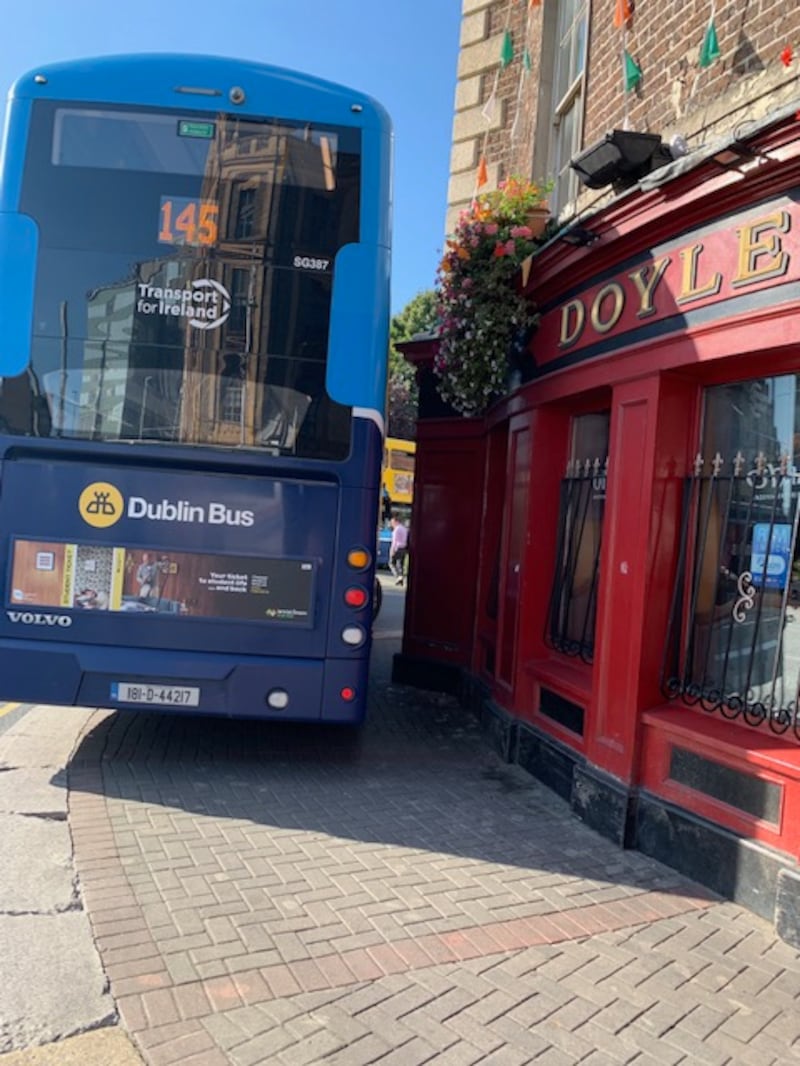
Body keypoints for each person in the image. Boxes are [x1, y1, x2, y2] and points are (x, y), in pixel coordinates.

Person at [389, 512, 409, 586]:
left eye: (392, 522)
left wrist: (392, 550)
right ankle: (400, 579)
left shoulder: (396, 530)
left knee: (391, 563)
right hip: (404, 548)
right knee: (400, 564)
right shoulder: (404, 529)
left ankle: (398, 576)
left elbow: (394, 541)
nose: (391, 524)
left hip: (397, 548)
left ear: (396, 521)